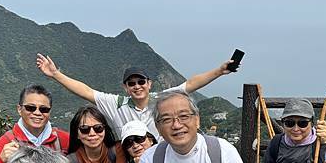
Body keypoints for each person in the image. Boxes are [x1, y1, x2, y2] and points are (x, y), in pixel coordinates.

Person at [36, 53, 236, 140]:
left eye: (141, 82)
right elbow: (86, 91)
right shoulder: (116, 104)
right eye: (131, 83)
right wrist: (56, 74)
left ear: (149, 84)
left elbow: (190, 85)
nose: (137, 86)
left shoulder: (162, 100)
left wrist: (219, 70)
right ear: (125, 87)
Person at [0, 84, 69, 163]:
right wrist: (1, 161)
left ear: (50, 111)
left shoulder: (63, 140)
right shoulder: (7, 142)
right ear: (19, 109)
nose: (37, 113)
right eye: (30, 108)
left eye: (44, 109)